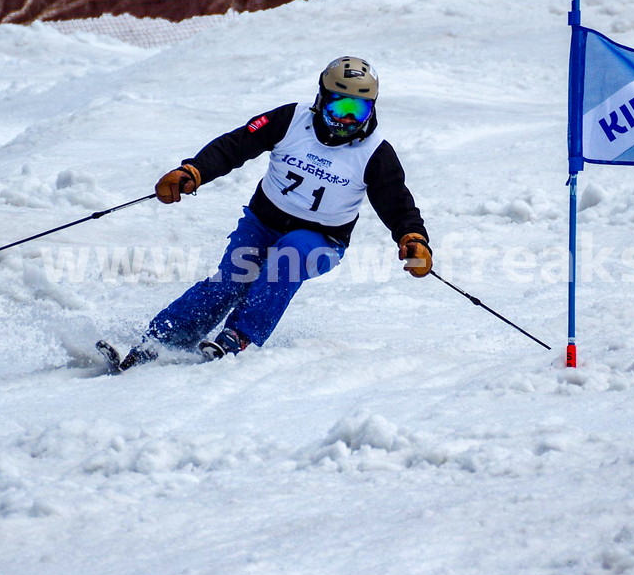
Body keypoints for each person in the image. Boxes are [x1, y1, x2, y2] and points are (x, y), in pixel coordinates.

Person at [96, 56, 432, 372]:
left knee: (290, 255)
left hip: (322, 239)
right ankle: (158, 342)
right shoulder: (290, 120)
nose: (346, 118)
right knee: (232, 280)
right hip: (262, 223)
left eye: (357, 110)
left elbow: (397, 202)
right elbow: (236, 145)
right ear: (321, 98)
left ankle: (238, 337)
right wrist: (194, 171)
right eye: (338, 105)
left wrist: (413, 238)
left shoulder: (375, 153)